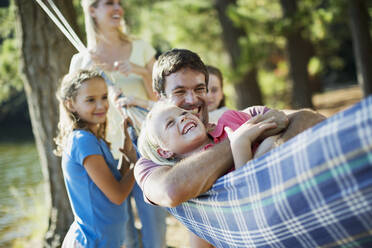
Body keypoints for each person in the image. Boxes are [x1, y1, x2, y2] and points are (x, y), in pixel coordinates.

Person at [68, 1, 167, 247]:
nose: (118, 8)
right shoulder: (81, 60)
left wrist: (141, 72)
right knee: (124, 236)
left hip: (146, 149)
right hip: (106, 153)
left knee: (155, 230)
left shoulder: (142, 48)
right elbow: (77, 108)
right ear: (92, 9)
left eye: (119, 3)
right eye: (109, 2)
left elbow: (162, 101)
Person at [54, 70, 137, 247]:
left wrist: (127, 156)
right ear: (71, 105)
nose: (101, 106)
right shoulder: (82, 141)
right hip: (92, 242)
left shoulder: (94, 138)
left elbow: (115, 182)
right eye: (91, 100)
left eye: (104, 97)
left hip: (106, 240)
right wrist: (142, 164)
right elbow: (117, 195)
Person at [138, 100, 288, 169]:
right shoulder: (195, 171)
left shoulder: (230, 119)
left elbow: (282, 122)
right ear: (164, 151)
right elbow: (245, 193)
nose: (182, 117)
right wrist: (240, 143)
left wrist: (269, 129)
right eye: (170, 123)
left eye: (183, 113)